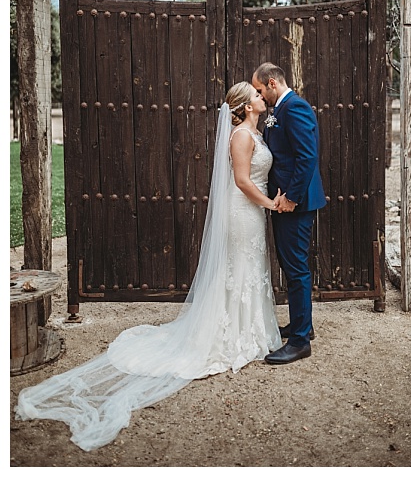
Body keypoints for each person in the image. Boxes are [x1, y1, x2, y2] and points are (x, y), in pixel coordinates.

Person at [15, 83, 286, 451]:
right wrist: (270, 204)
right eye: (255, 95)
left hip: (252, 213)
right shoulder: (240, 135)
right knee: (238, 271)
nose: (261, 97)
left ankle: (249, 330)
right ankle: (230, 335)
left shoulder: (257, 129)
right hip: (243, 211)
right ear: (244, 105)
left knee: (250, 270)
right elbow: (240, 180)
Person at [251, 62, 324, 364]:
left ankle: (300, 342)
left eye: (258, 90)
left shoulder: (294, 108)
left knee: (295, 268)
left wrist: (292, 197)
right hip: (284, 201)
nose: (258, 95)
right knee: (290, 264)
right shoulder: (279, 110)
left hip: (296, 203)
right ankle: (300, 326)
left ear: (271, 83)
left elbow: (308, 157)